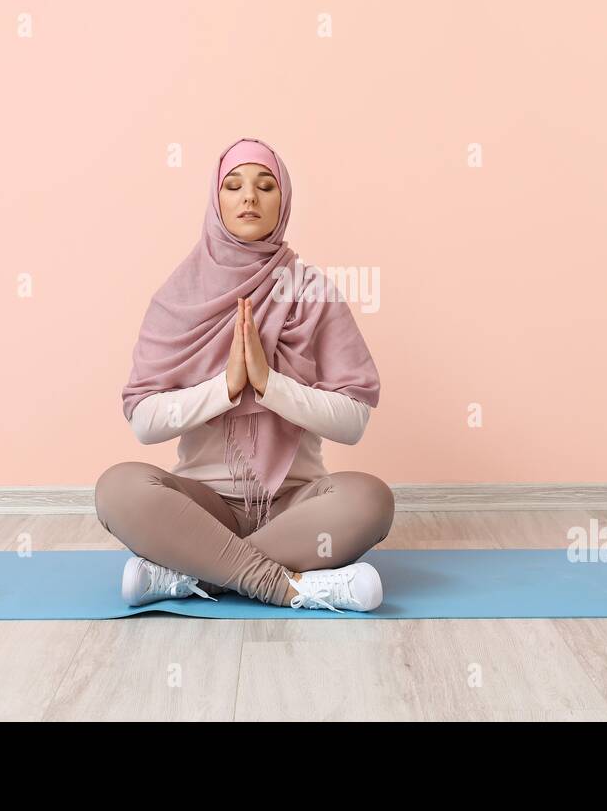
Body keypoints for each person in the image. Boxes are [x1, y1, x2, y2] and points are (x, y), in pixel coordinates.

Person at [95, 137, 394, 613]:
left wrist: (270, 385)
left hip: (297, 505)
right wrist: (227, 388)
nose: (249, 197)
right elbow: (144, 422)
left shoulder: (313, 292)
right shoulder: (179, 297)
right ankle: (293, 587)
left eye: (265, 185)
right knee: (117, 489)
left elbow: (353, 421)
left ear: (285, 201)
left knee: (370, 500)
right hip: (200, 507)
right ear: (217, 202)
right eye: (232, 186)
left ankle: (191, 575)